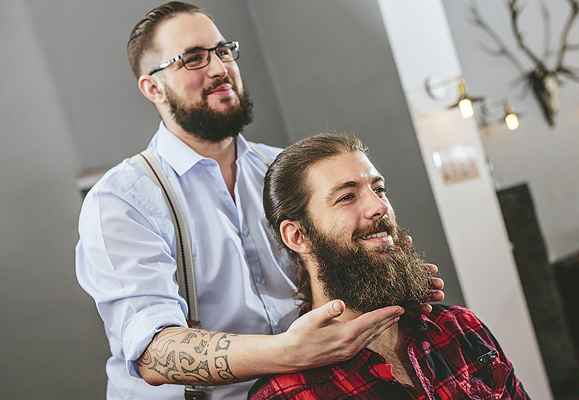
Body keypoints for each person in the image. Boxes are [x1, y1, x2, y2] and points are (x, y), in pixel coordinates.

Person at [75, 3, 444, 400]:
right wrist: (290, 353)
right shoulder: (121, 201)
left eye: (222, 51)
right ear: (152, 87)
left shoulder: (281, 169)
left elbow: (328, 269)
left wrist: (387, 279)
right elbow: (153, 353)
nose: (219, 68)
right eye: (194, 58)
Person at [249, 133, 530, 399]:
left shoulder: (459, 329)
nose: (379, 207)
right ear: (298, 236)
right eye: (347, 197)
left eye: (379, 189)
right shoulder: (286, 392)